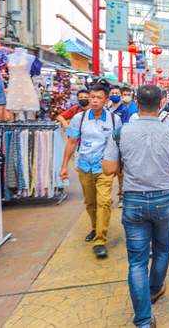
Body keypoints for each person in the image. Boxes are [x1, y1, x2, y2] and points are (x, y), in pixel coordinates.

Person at [102, 85, 169, 328]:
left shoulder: (121, 132)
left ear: (137, 104)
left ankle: (143, 320)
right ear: (161, 103)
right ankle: (154, 289)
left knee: (137, 261)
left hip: (134, 200)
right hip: (164, 197)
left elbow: (108, 169)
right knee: (162, 250)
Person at [59, 84, 121, 258]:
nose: (94, 100)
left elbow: (118, 145)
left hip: (104, 167)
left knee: (104, 201)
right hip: (84, 165)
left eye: (98, 97)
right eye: (92, 97)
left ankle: (100, 239)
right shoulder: (80, 118)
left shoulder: (115, 120)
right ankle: (95, 227)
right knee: (90, 202)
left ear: (106, 100)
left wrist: (118, 167)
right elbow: (71, 142)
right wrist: (64, 166)